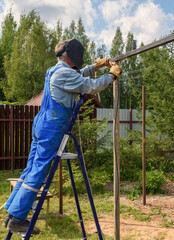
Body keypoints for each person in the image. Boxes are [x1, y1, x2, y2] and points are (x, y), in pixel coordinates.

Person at [3, 38, 122, 234]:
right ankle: (18, 218)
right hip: (52, 126)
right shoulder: (65, 74)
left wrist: (96, 66)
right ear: (72, 56)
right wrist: (111, 75)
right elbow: (90, 86)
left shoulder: (54, 70)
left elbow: (78, 75)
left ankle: (13, 213)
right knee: (39, 171)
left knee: (31, 168)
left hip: (42, 123)